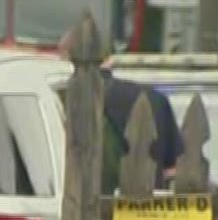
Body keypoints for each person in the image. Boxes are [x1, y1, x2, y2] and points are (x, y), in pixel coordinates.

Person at [57, 26, 183, 191]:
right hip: (144, 208)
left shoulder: (60, 97)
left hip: (78, 201)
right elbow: (173, 169)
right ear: (110, 59)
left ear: (66, 58)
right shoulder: (155, 100)